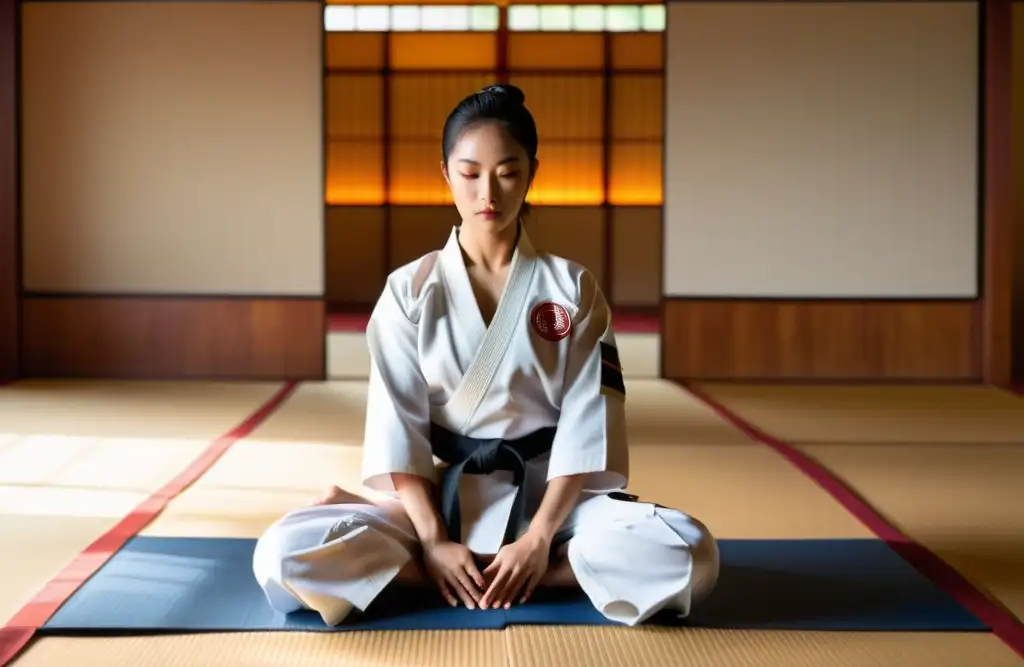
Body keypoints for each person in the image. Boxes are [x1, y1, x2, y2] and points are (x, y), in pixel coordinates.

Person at [252, 84, 719, 626]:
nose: (487, 193)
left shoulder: (571, 288)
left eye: (507, 171)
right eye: (470, 173)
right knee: (281, 554)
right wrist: (431, 542)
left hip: (550, 500)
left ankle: (505, 574)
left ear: (532, 172)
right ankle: (457, 569)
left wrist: (540, 539)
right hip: (439, 502)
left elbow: (590, 424)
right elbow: (397, 429)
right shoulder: (410, 290)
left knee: (690, 553)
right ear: (446, 174)